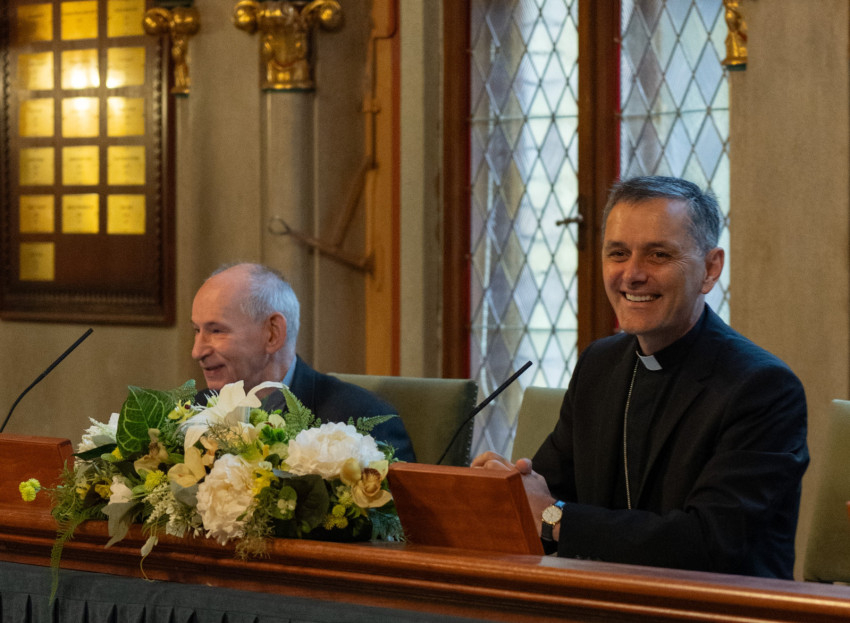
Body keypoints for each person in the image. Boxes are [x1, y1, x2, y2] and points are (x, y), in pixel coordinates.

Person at [472, 176, 808, 579]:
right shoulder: (599, 365)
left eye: (658, 255)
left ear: (710, 269)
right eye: (618, 253)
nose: (632, 274)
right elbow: (547, 497)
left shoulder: (762, 388)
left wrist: (553, 518)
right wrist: (504, 495)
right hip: (603, 600)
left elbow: (708, 543)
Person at [191, 262, 415, 462]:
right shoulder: (195, 412)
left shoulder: (359, 421)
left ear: (272, 334)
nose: (197, 351)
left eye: (216, 331)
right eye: (197, 330)